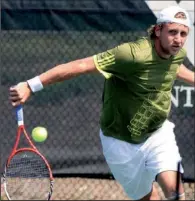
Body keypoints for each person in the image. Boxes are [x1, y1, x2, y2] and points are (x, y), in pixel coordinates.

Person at [9, 5, 194, 200]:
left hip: (157, 134)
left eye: (183, 33)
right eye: (172, 32)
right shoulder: (131, 54)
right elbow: (81, 65)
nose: (178, 39)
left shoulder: (176, 52)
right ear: (158, 30)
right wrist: (31, 85)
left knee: (176, 192)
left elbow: (174, 67)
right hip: (120, 143)